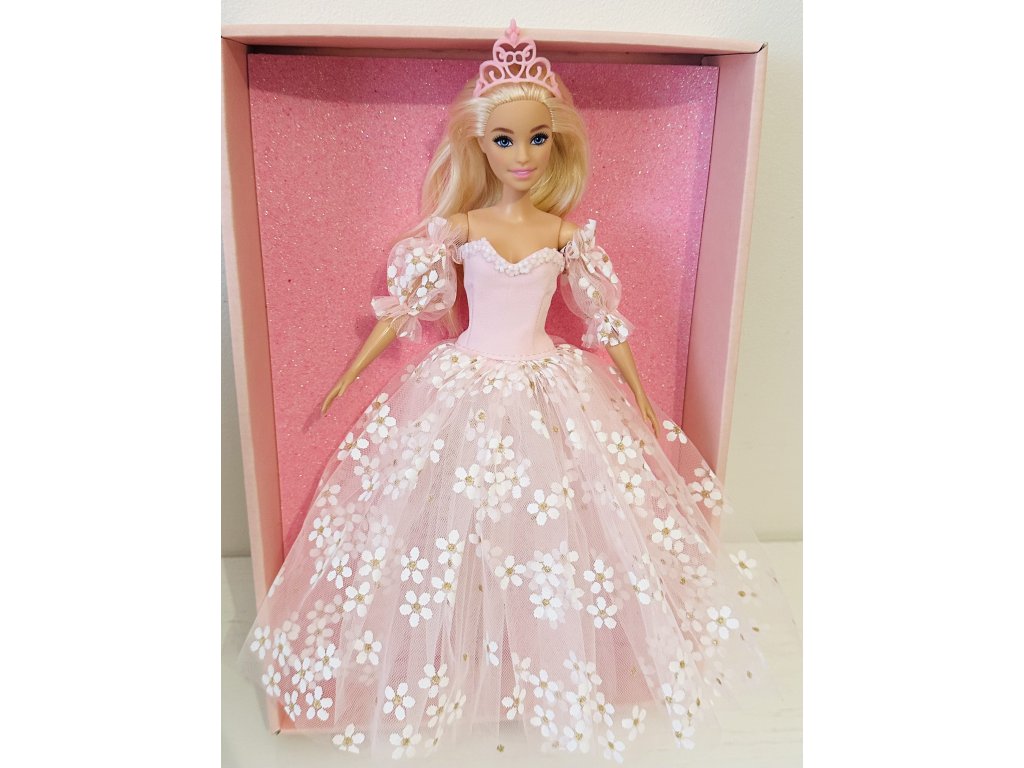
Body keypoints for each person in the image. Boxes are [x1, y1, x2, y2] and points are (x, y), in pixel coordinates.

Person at [236, 19, 797, 763]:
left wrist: (640, 396)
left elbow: (606, 321)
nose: (523, 155)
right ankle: (451, 669)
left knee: (552, 525)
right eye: (505, 140)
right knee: (445, 521)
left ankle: (546, 666)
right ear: (480, 144)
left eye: (537, 139)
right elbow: (407, 310)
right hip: (464, 382)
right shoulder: (457, 228)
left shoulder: (566, 236)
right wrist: (347, 374)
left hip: (547, 385)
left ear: (556, 143)